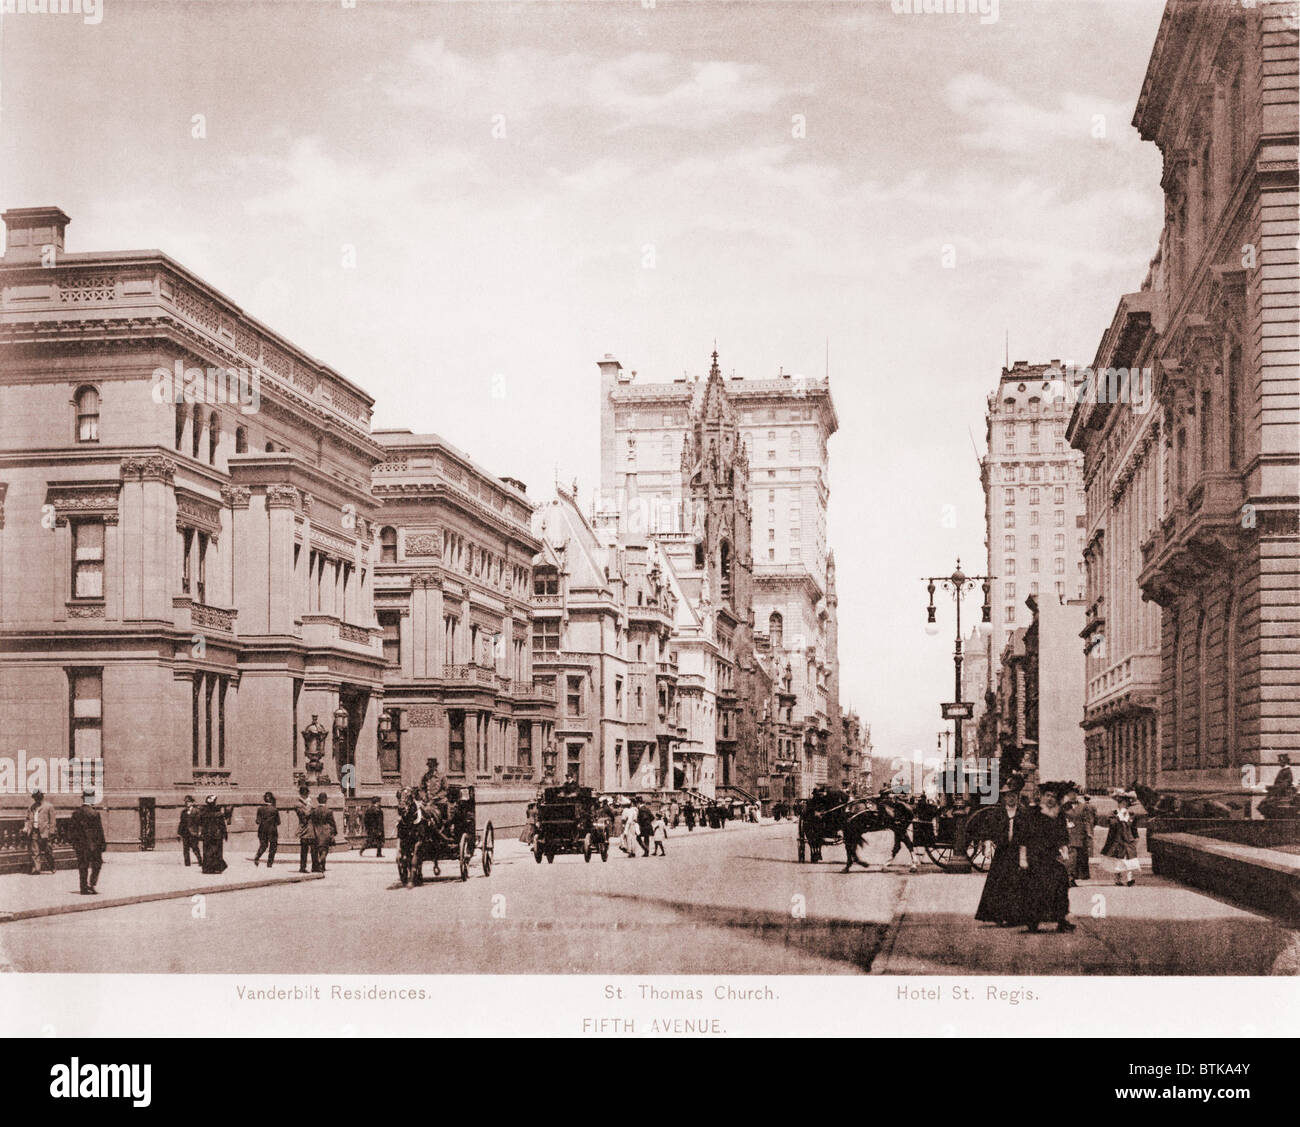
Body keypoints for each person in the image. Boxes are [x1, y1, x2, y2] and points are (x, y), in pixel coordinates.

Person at [975, 784, 1029, 927]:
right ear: (1004, 798)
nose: (1011, 798)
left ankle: (1016, 916)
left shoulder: (1024, 813)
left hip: (1019, 852)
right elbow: (988, 830)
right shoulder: (997, 813)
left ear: (1017, 797)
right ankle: (997, 915)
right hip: (1003, 853)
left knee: (1018, 883)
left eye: (1013, 795)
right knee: (999, 883)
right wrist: (987, 844)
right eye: (1008, 796)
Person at [1021, 791, 1075, 933]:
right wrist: (1023, 857)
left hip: (1051, 857)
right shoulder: (1033, 814)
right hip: (1035, 857)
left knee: (1060, 883)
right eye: (1048, 796)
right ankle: (1033, 921)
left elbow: (1062, 836)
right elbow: (1024, 837)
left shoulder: (1059, 815)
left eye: (1053, 796)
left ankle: (1060, 919)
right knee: (1035, 888)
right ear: (1042, 797)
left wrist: (1064, 851)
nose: (1050, 799)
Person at [68, 788, 105, 895]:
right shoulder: (94, 813)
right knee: (97, 864)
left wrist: (74, 844)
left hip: (80, 845)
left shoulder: (76, 813)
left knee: (82, 866)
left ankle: (83, 888)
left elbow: (71, 830)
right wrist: (102, 844)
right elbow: (99, 831)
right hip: (94, 845)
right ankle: (92, 884)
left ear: (83, 798)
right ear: (92, 798)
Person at [1102, 791, 1140, 886]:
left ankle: (1130, 878)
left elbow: (1134, 828)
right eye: (1123, 803)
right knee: (1117, 860)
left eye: (1126, 804)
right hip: (1117, 840)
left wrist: (1136, 838)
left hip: (1128, 840)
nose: (1125, 805)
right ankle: (1117, 879)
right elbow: (1112, 824)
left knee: (1130, 859)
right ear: (1119, 804)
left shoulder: (1132, 815)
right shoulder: (1113, 814)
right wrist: (1120, 817)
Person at [24, 789, 56, 875]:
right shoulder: (31, 807)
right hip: (34, 831)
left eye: (38, 797)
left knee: (48, 851)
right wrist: (26, 827)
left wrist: (51, 832)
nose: (36, 799)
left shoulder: (49, 806)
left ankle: (52, 866)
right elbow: (27, 819)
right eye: (35, 797)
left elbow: (52, 821)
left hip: (45, 832)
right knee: (35, 851)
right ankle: (36, 869)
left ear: (41, 797)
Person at [395, 788, 423, 887]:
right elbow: (421, 789)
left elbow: (444, 790)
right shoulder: (425, 777)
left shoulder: (440, 777)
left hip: (437, 801)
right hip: (423, 800)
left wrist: (435, 798)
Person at [198, 796, 229, 874]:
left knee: (207, 851)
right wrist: (225, 834)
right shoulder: (219, 814)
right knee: (216, 852)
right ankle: (217, 868)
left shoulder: (203, 813)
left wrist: (201, 833)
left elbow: (200, 824)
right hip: (216, 835)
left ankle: (207, 868)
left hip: (207, 835)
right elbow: (222, 825)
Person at [1063, 790, 1088, 887]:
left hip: (1080, 834)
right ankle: (1070, 878)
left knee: (1079, 858)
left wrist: (1088, 832)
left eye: (1074, 793)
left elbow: (1087, 820)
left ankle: (1074, 877)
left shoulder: (1083, 806)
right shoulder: (1064, 807)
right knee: (1071, 856)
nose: (1072, 795)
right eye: (1070, 793)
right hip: (1069, 834)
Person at [309, 792, 337, 873]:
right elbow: (332, 823)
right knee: (324, 850)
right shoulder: (329, 811)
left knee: (315, 849)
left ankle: (316, 866)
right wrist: (334, 832)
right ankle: (321, 864)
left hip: (315, 831)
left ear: (318, 800)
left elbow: (312, 822)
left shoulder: (314, 811)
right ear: (326, 800)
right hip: (325, 832)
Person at [253, 792, 279, 867]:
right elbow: (278, 822)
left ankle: (257, 857)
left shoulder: (260, 809)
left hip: (262, 830)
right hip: (272, 830)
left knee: (263, 845)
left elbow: (257, 821)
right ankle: (269, 863)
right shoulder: (275, 810)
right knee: (273, 847)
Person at [178, 794, 204, 868]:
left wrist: (199, 831)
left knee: (195, 848)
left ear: (192, 803)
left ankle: (200, 861)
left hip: (193, 832)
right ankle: (187, 863)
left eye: (188, 802)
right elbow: (181, 823)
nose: (187, 803)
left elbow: (199, 822)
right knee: (185, 849)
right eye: (186, 802)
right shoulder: (183, 812)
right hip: (185, 833)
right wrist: (179, 833)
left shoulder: (196, 811)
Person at [294, 784, 313, 873]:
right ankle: (302, 867)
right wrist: (310, 808)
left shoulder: (308, 802)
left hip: (311, 829)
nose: (306, 795)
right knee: (304, 849)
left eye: (307, 793)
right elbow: (304, 815)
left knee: (314, 848)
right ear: (302, 794)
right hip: (304, 829)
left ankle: (315, 866)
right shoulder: (298, 804)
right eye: (304, 793)